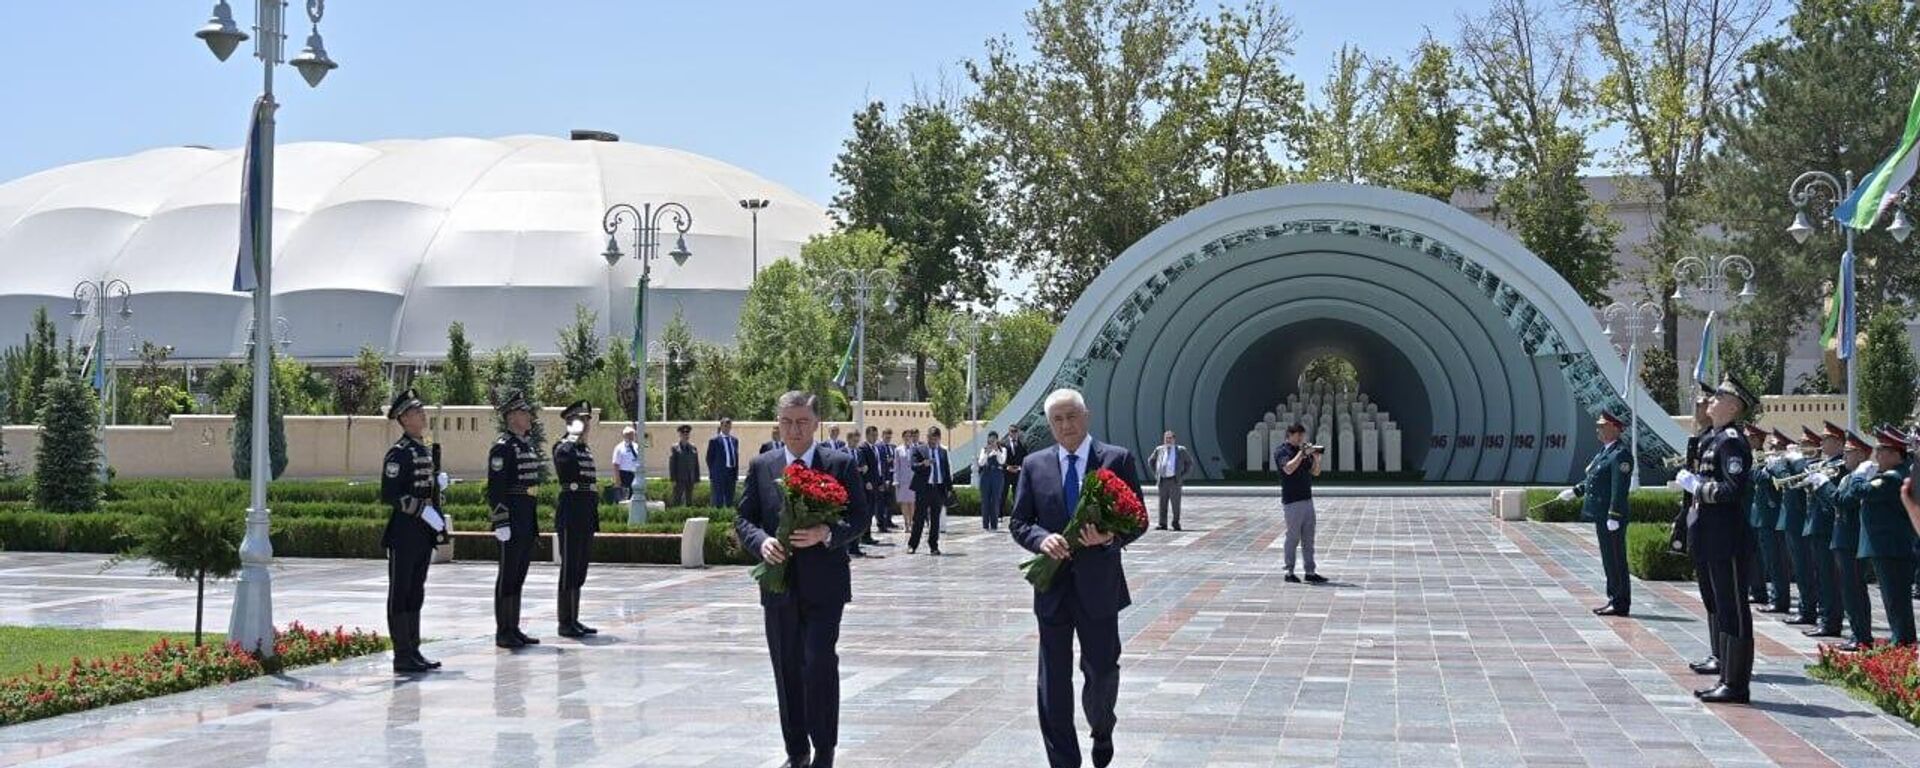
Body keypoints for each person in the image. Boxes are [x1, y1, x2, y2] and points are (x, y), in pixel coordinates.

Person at [1009, 388, 1143, 768]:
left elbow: (1139, 518)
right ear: (1050, 425)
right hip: (1052, 587)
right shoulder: (1035, 465)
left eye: (1072, 416)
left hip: (1099, 587)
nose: (1066, 425)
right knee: (1052, 680)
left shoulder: (1115, 460)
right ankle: (1063, 760)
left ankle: (1102, 729)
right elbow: (1019, 522)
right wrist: (1040, 539)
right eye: (1058, 419)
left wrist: (1109, 537)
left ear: (1087, 416)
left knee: (1101, 670)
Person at [734, 391, 870, 768]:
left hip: (825, 586)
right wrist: (760, 544)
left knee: (818, 660)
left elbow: (860, 517)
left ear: (815, 424)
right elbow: (743, 518)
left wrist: (827, 532)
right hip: (778, 586)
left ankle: (824, 747)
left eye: (802, 422)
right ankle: (797, 750)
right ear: (778, 423)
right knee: (787, 667)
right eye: (787, 422)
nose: (794, 430)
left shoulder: (839, 463)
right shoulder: (762, 465)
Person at [1673, 377, 1757, 704]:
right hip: (1710, 535)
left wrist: (1698, 487)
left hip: (1727, 538)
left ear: (1733, 406)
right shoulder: (1714, 439)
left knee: (1734, 609)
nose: (1712, 400)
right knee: (1722, 606)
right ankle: (1726, 675)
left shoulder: (1731, 442)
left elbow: (1733, 490)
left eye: (1719, 396)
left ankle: (1736, 684)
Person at [380, 387, 446, 673]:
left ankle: (414, 649)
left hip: (422, 532)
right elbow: (390, 494)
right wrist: (422, 510)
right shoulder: (399, 453)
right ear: (404, 419)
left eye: (421, 410)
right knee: (401, 591)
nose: (423, 415)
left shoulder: (423, 448)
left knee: (416, 591)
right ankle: (401, 654)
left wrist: (438, 488)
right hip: (404, 531)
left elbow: (426, 489)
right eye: (417, 412)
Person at [1808, 429, 1877, 651]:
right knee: (1849, 590)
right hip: (1841, 539)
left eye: (1848, 452)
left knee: (1854, 590)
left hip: (1851, 541)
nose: (1844, 457)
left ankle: (1862, 636)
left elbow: (1843, 501)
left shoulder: (1861, 476)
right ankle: (1858, 634)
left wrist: (1823, 485)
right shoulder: (1849, 476)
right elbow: (1834, 503)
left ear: (1860, 454)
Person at [488, 390, 545, 649]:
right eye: (523, 412)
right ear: (511, 417)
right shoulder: (503, 447)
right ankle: (503, 631)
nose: (528, 416)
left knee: (519, 575)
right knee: (508, 575)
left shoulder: (525, 445)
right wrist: (501, 521)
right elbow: (496, 489)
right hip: (511, 518)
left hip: (525, 517)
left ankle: (514, 627)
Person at [1560, 411, 1630, 616]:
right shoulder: (1605, 452)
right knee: (1609, 559)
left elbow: (1619, 488)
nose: (1598, 429)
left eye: (1603, 426)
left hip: (1611, 518)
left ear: (1615, 429)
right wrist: (1576, 491)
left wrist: (1614, 515)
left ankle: (1620, 602)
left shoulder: (1620, 454)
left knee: (1616, 560)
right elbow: (1595, 479)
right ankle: (1613, 598)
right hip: (1602, 516)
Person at [1857, 427, 1915, 645]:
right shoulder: (1899, 473)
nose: (1876, 455)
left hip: (1890, 547)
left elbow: (1864, 492)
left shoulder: (1892, 477)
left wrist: (1857, 477)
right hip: (1891, 546)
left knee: (1895, 599)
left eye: (1881, 450)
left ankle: (1902, 641)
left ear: (1894, 454)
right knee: (1895, 599)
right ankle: (1902, 639)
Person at [551, 400, 601, 638]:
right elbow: (564, 467)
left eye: (588, 420)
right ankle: (565, 621)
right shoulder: (564, 447)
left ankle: (575, 618)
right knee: (569, 567)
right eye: (583, 419)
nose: (588, 424)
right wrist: (573, 436)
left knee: (580, 568)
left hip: (585, 514)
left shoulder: (584, 449)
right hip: (571, 514)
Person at [1798, 422, 1848, 638]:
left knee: (1828, 578)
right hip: (1816, 525)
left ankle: (1830, 621)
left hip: (1826, 526)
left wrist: (1820, 482)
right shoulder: (1823, 464)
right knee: (1821, 576)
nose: (1821, 442)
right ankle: (1824, 617)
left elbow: (1833, 499)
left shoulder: (1839, 467)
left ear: (1838, 442)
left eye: (1826, 439)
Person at [1776, 429, 1820, 626]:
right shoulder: (1797, 464)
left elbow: (1799, 481)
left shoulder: (1811, 465)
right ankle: (1805, 608)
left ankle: (1809, 609)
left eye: (1805, 444)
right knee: (1800, 569)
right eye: (1800, 444)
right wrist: (1780, 465)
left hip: (1802, 521)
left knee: (1806, 569)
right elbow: (1783, 479)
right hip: (1793, 521)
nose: (1801, 448)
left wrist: (1792, 462)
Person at [1274, 424, 1325, 584]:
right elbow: (1288, 469)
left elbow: (1316, 472)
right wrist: (1301, 454)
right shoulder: (1282, 451)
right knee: (1293, 537)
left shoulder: (1303, 452)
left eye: (1302, 436)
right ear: (1289, 435)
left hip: (1307, 500)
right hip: (1292, 501)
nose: (1301, 439)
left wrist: (1316, 458)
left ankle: (1310, 571)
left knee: (1308, 538)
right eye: (1298, 436)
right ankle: (1289, 571)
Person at [909, 426, 953, 555]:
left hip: (938, 488)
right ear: (927, 437)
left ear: (939, 438)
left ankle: (933, 545)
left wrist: (949, 488)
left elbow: (946, 471)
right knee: (919, 518)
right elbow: (913, 466)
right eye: (930, 437)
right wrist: (924, 464)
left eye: (935, 438)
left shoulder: (942, 452)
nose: (932, 440)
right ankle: (913, 544)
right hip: (924, 488)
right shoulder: (919, 449)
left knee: (935, 519)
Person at [1147, 430, 1193, 531]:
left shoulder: (1180, 450)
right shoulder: (1159, 449)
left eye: (1170, 438)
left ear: (1174, 439)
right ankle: (1162, 523)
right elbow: (1150, 461)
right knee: (1162, 503)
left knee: (1175, 503)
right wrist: (1156, 473)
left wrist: (1182, 476)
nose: (1168, 440)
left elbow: (1189, 463)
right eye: (1166, 438)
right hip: (1162, 480)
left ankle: (1176, 522)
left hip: (1174, 480)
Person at [976, 432, 1009, 531]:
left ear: (997, 440)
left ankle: (994, 524)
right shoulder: (984, 449)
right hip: (986, 475)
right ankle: (985, 524)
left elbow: (1002, 461)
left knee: (995, 500)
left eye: (994, 439)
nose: (992, 441)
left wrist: (996, 450)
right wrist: (987, 452)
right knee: (985, 500)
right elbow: (981, 462)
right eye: (991, 439)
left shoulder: (1003, 449)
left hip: (997, 476)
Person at [707, 418, 741, 509]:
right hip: (719, 473)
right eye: (725, 426)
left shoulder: (734, 440)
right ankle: (718, 517)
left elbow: (735, 456)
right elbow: (709, 458)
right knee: (718, 499)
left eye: (729, 426)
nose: (727, 428)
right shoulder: (714, 441)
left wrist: (735, 473)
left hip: (731, 472)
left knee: (730, 497)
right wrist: (714, 472)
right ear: (721, 426)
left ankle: (729, 516)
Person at [668, 424, 700, 508]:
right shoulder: (675, 448)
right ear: (680, 435)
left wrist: (697, 478)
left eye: (687, 434)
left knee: (689, 500)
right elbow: (672, 465)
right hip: (679, 478)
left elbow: (696, 464)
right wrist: (673, 479)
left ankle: (688, 514)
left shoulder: (693, 447)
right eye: (684, 434)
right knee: (677, 499)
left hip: (690, 478)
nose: (686, 436)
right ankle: (676, 516)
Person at [1003, 424, 1029, 523]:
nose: (1013, 433)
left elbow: (1026, 457)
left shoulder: (1022, 443)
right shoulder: (1003, 444)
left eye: (1015, 431)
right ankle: (999, 515)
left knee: (1017, 494)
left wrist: (1020, 468)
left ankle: (1016, 514)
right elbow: (1001, 459)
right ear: (1009, 432)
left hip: (1018, 472)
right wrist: (1007, 467)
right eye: (1011, 431)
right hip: (1007, 472)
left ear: (1017, 432)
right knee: (1003, 493)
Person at [893, 429, 917, 534]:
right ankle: (906, 523)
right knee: (904, 503)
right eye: (906, 436)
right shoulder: (898, 450)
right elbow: (896, 466)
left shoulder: (916, 449)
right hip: (902, 479)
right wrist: (896, 480)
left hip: (913, 479)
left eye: (909, 436)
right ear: (903, 437)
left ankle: (912, 523)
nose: (908, 438)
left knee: (912, 503)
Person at [875, 428, 898, 533]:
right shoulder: (878, 447)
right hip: (882, 478)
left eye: (890, 436)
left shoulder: (893, 447)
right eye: (886, 436)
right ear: (883, 435)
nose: (888, 438)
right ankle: (881, 523)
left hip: (892, 477)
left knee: (891, 501)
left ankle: (889, 520)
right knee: (880, 502)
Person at [612, 426, 641, 502]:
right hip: (624, 475)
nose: (631, 437)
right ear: (624, 435)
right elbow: (616, 464)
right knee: (624, 499)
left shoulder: (636, 446)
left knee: (634, 497)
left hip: (635, 474)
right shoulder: (619, 448)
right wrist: (617, 480)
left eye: (632, 434)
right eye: (628, 434)